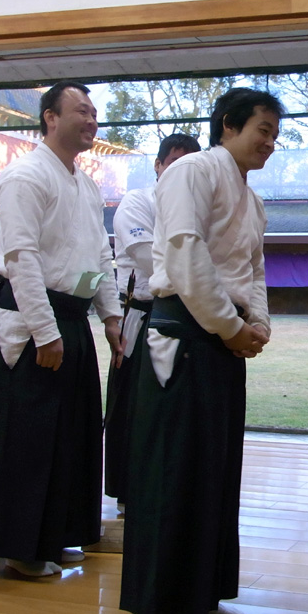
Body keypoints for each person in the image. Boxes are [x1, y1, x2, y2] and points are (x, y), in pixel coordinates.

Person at [120, 88, 280, 614]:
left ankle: (200, 595)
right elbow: (186, 254)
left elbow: (254, 268)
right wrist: (231, 326)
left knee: (213, 470)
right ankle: (161, 603)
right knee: (173, 469)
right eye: (263, 130)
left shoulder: (252, 198)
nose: (270, 143)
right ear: (228, 125)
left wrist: (257, 323)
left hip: (223, 336)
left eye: (275, 135)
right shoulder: (190, 172)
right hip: (184, 332)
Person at [0, 81, 123, 577]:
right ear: (50, 118)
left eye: (94, 112)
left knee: (71, 434)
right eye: (81, 110)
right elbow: (21, 257)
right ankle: (20, 547)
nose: (91, 120)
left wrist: (110, 315)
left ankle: (56, 535)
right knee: (29, 436)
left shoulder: (85, 184)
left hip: (72, 317)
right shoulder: (24, 175)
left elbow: (97, 255)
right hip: (30, 319)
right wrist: (45, 331)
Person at [106, 133, 201, 508]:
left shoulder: (201, 208)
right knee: (133, 405)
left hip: (189, 315)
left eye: (189, 163)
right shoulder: (137, 202)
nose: (180, 170)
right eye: (173, 161)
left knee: (175, 408)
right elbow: (149, 260)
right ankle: (129, 491)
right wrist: (201, 282)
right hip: (142, 314)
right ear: (158, 165)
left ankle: (170, 490)